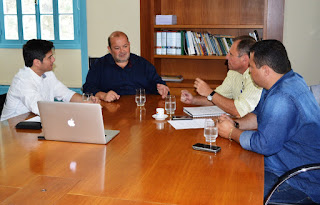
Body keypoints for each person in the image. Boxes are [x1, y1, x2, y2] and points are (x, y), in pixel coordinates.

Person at [217, 40, 320, 204]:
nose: (249, 72)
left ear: (265, 70)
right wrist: (235, 124)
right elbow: (259, 116)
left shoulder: (282, 98)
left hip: (298, 181)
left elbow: (264, 144)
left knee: (230, 187)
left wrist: (231, 133)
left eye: (251, 67)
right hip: (283, 166)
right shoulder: (288, 81)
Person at [1, 39, 100, 121]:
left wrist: (86, 100)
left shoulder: (48, 74)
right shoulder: (23, 81)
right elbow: (42, 109)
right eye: (50, 57)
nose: (53, 60)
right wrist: (76, 109)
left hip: (33, 125)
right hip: (11, 130)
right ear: (37, 62)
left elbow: (66, 94)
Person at [181, 36, 262, 118]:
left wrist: (209, 92)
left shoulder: (256, 78)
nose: (226, 57)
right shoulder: (233, 72)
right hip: (238, 122)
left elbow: (238, 110)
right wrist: (193, 100)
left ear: (244, 59)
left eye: (231, 54)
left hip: (254, 126)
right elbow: (217, 99)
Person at [83, 31, 170, 102]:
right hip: (111, 112)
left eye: (125, 46)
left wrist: (162, 89)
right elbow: (88, 88)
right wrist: (103, 95)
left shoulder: (143, 64)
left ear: (129, 44)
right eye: (117, 48)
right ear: (109, 49)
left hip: (140, 109)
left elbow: (158, 84)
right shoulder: (99, 65)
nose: (122, 51)